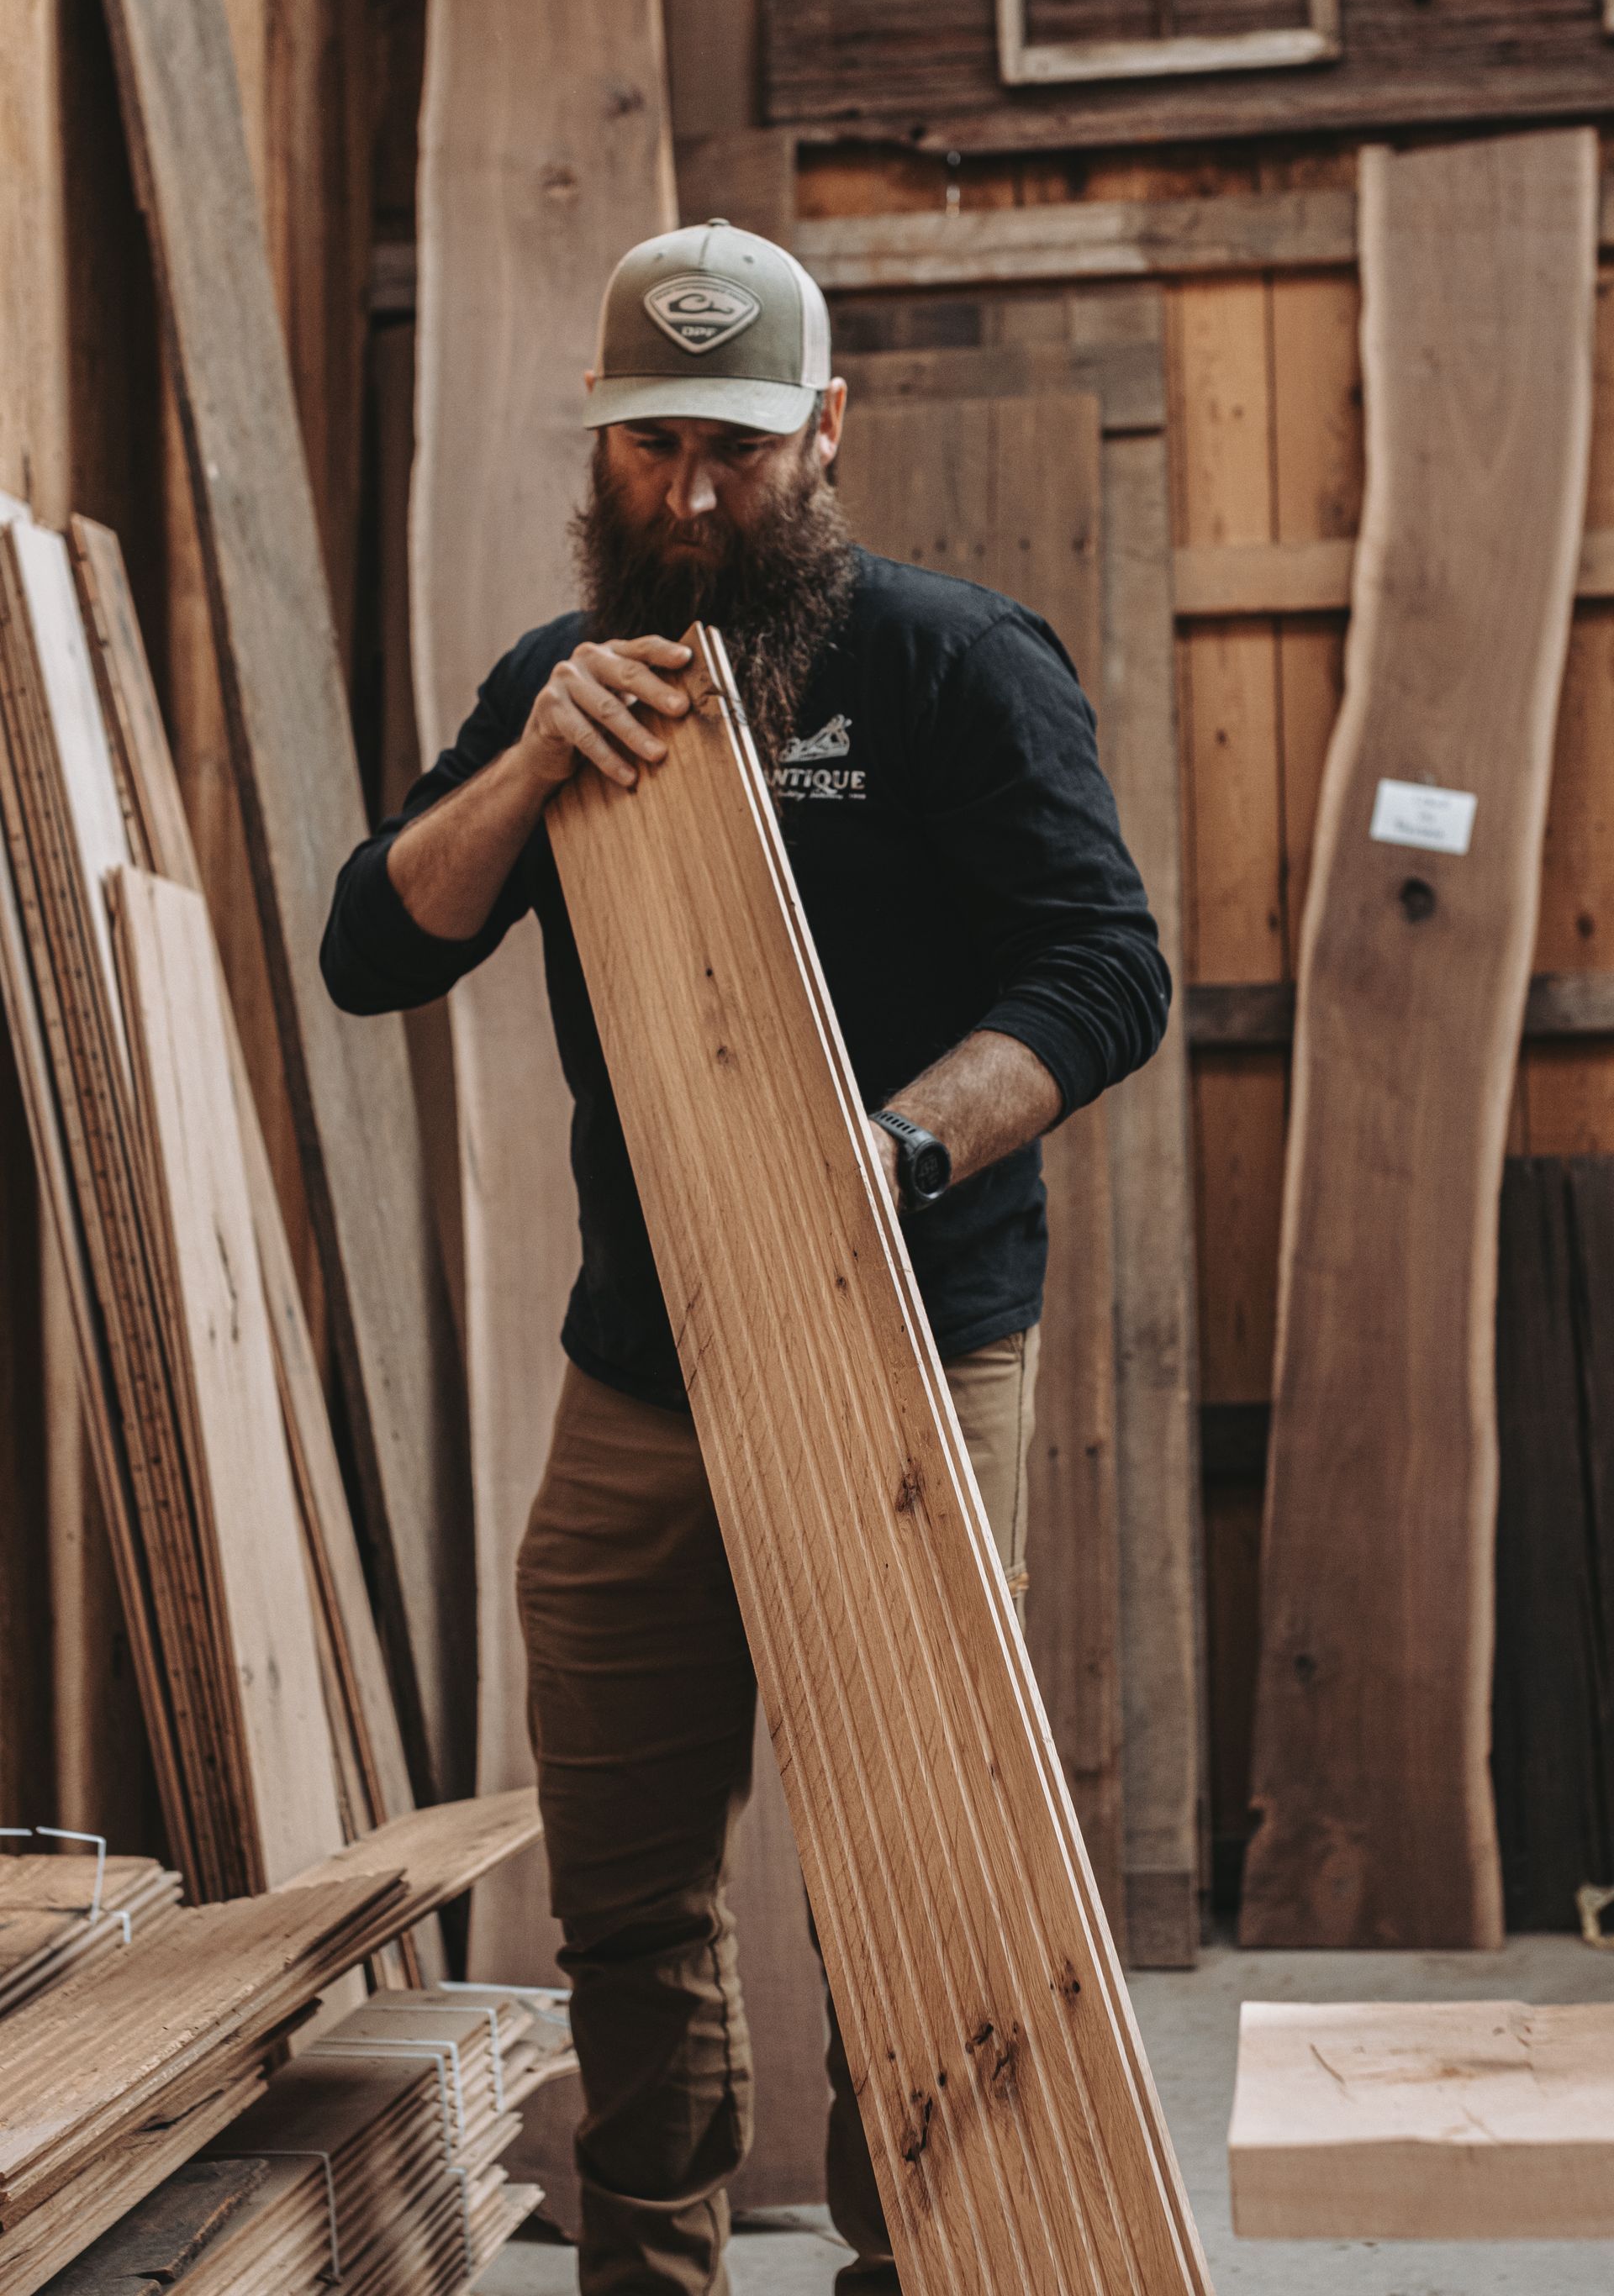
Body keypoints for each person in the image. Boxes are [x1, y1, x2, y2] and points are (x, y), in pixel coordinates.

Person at [322, 219, 1170, 2295]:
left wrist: (890, 1150)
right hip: (642, 1378)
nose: (692, 498)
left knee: (916, 1893)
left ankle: (921, 2265)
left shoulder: (956, 663)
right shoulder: (561, 684)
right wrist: (530, 761)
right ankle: (657, 2272)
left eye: (737, 449)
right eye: (651, 450)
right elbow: (370, 946)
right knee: (627, 1898)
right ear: (598, 451)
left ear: (827, 434)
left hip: (902, 1352)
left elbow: (1105, 970)